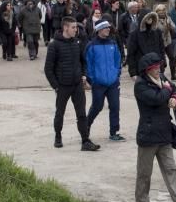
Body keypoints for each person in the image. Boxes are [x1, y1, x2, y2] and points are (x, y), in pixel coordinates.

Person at [133, 53, 176, 202]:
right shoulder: (140, 85)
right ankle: (142, 200)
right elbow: (156, 99)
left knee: (171, 168)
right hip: (148, 134)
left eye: (159, 66)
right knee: (144, 172)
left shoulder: (162, 78)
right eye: (154, 68)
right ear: (146, 70)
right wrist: (168, 91)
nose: (158, 70)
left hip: (164, 132)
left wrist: (175, 98)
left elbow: (175, 90)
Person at [45, 16, 99, 151]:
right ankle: (58, 136)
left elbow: (83, 61)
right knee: (60, 113)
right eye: (74, 27)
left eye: (76, 27)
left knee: (81, 114)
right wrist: (56, 86)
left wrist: (84, 75)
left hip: (77, 85)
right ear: (65, 28)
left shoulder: (77, 43)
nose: (76, 30)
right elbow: (48, 69)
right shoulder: (54, 45)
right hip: (62, 86)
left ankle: (85, 141)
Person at [85, 20, 125, 142]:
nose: (108, 29)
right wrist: (92, 79)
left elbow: (118, 60)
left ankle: (114, 132)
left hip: (113, 82)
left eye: (108, 27)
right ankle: (85, 127)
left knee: (115, 106)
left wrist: (117, 73)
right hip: (98, 83)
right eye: (105, 28)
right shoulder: (91, 45)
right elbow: (88, 64)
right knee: (97, 107)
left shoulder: (113, 43)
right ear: (98, 30)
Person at [126, 11, 166, 80]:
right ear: (143, 19)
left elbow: (161, 49)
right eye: (148, 17)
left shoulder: (157, 32)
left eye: (152, 17)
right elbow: (131, 54)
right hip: (142, 69)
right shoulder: (135, 34)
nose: (150, 19)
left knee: (158, 89)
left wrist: (163, 63)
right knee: (144, 89)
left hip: (156, 67)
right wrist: (133, 72)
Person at [152, 4, 176, 77]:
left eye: (163, 10)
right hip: (159, 42)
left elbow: (174, 27)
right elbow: (153, 29)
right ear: (157, 11)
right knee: (161, 58)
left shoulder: (168, 18)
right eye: (160, 10)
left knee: (172, 57)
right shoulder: (154, 19)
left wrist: (169, 25)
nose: (162, 12)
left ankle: (173, 75)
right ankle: (161, 75)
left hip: (168, 41)